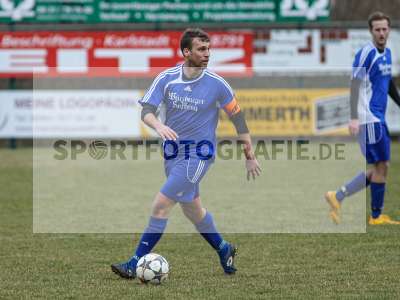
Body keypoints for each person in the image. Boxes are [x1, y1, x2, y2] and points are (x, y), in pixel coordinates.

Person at [111, 28, 261, 278]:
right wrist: (158, 125)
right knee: (193, 211)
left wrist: (249, 155)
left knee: (161, 205)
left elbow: (238, 118)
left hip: (199, 156)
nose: (207, 54)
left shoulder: (217, 84)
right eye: (201, 49)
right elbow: (146, 110)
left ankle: (134, 263)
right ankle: (224, 248)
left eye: (208, 49)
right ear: (186, 52)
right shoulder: (167, 78)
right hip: (172, 156)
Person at [325, 12, 400, 225]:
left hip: (379, 118)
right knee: (381, 166)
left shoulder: (387, 53)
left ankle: (337, 196)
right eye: (377, 29)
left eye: (384, 29)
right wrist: (353, 117)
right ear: (371, 31)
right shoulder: (365, 54)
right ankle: (376, 216)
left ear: (389, 30)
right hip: (368, 119)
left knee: (381, 166)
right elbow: (354, 85)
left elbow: (389, 83)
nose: (381, 33)